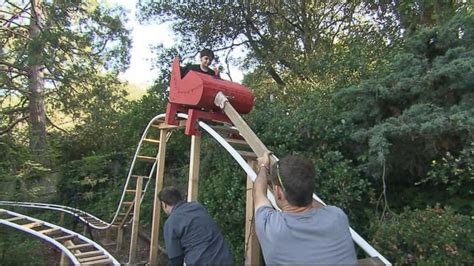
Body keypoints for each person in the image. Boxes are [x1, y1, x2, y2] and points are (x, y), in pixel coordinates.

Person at [253, 151, 358, 264]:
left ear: (278, 192)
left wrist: (263, 166)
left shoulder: (270, 227)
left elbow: (258, 192)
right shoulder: (337, 216)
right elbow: (316, 204)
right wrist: (300, 186)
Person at [158, 186, 234, 265]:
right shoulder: (198, 206)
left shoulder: (170, 223)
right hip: (225, 259)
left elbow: (176, 259)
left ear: (164, 204)